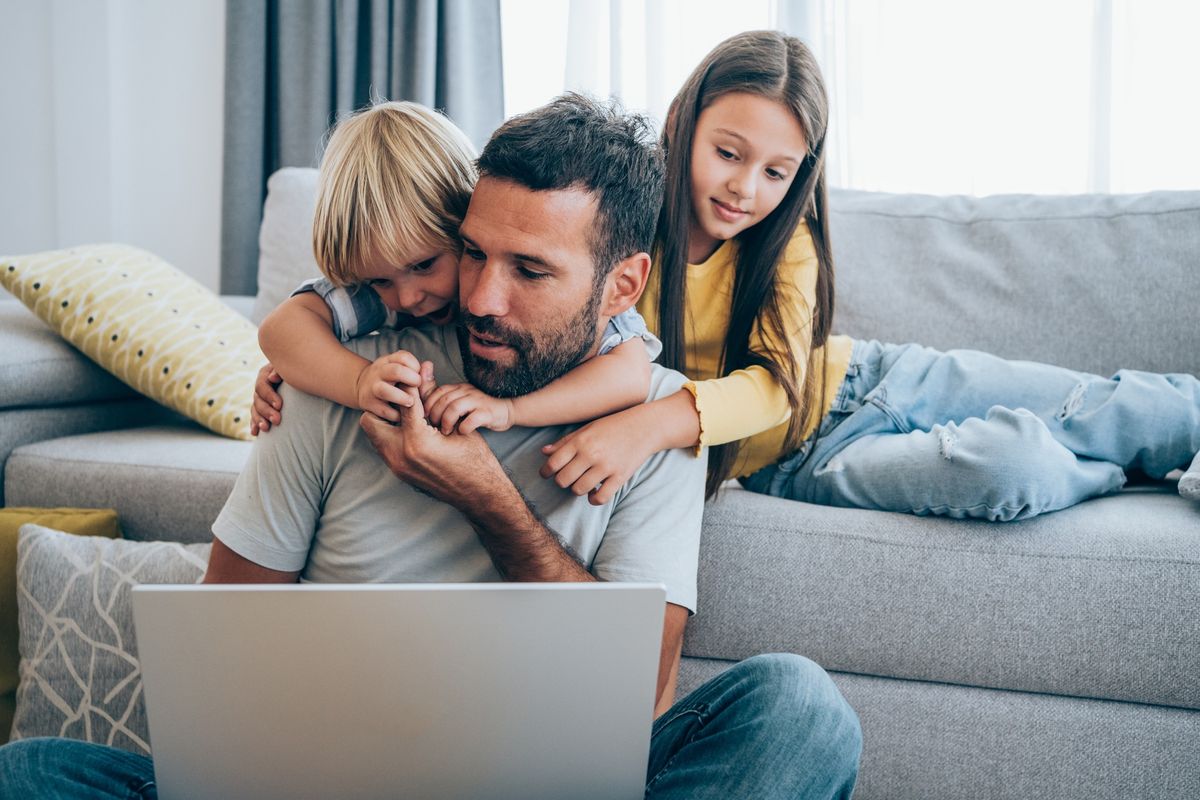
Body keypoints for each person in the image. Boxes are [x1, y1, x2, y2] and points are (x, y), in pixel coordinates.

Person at [0, 95, 862, 799]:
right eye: (473, 255)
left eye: (530, 272)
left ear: (622, 285)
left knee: (799, 709)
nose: (482, 299)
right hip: (324, 782)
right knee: (31, 773)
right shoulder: (352, 376)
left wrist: (484, 494)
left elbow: (636, 696)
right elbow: (224, 640)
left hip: (545, 786)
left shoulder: (655, 423)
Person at [539, 29, 1200, 521]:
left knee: (1128, 409)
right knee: (1011, 471)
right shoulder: (626, 231)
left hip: (875, 379)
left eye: (776, 171)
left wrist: (652, 424)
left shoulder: (786, 239)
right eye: (727, 153)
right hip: (801, 462)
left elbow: (777, 388)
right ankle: (1126, 472)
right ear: (685, 123)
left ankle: (1156, 449)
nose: (744, 188)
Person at [250, 99, 657, 440]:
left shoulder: (594, 305)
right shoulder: (384, 297)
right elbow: (281, 330)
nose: (408, 298)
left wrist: (512, 411)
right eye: (378, 280)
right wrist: (350, 380)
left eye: (425, 265)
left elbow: (630, 377)